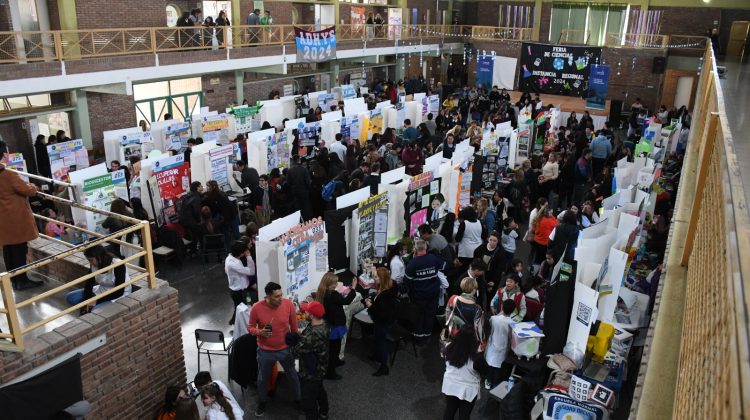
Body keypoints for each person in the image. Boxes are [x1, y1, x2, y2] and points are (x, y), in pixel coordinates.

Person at [248, 282, 301, 416]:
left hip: (284, 350)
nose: (280, 299)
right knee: (262, 379)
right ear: (268, 296)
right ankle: (262, 401)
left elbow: (294, 326)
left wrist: (295, 342)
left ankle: (298, 400)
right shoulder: (256, 308)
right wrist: (260, 332)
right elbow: (250, 328)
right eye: (277, 296)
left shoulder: (288, 304)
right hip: (265, 351)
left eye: (281, 295)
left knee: (293, 376)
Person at [292, 300, 330, 420]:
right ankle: (324, 412)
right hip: (321, 368)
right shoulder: (323, 324)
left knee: (309, 401)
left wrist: (293, 341)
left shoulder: (312, 335)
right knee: (319, 390)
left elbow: (296, 350)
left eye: (307, 311)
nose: (304, 312)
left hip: (310, 372)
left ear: (312, 315)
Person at [65, 245, 131, 313]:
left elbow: (119, 292)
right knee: (70, 297)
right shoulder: (94, 264)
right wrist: (86, 301)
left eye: (91, 260)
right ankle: (91, 308)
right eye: (89, 260)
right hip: (102, 289)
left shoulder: (117, 264)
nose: (90, 263)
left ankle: (95, 308)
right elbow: (89, 284)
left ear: (99, 256)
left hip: (118, 294)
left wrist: (96, 301)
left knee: (95, 311)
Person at [441, 326, 488, 420]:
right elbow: (486, 371)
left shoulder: (448, 347)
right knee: (464, 415)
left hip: (450, 385)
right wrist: (481, 352)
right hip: (468, 390)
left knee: (450, 410)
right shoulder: (476, 358)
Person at [404, 239, 447, 341]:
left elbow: (407, 281)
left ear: (415, 249)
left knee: (419, 314)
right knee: (430, 314)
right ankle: (428, 334)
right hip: (434, 293)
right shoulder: (433, 258)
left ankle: (419, 336)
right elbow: (444, 266)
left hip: (419, 295)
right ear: (426, 247)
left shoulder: (412, 264)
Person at [316, 272, 356, 380]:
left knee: (333, 347)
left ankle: (336, 361)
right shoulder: (333, 294)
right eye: (335, 282)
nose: (336, 284)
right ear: (330, 284)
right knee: (334, 349)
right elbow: (346, 301)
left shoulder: (322, 293)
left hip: (330, 323)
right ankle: (330, 372)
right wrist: (353, 289)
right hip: (335, 325)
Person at [365, 267, 399, 376]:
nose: (374, 279)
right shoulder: (388, 288)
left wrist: (370, 306)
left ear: (382, 279)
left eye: (376, 277)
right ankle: (376, 355)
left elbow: (382, 314)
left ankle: (384, 367)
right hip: (382, 321)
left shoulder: (385, 296)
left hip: (383, 323)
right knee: (377, 339)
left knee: (381, 343)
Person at [485, 299, 515, 389]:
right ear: (513, 311)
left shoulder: (494, 319)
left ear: (502, 307)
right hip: (503, 347)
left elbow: (489, 327)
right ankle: (495, 385)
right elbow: (511, 337)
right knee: (498, 367)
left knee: (490, 365)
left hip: (492, 345)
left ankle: (488, 381)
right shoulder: (512, 323)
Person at [445, 277, 486, 343]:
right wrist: (481, 341)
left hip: (453, 332)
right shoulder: (477, 308)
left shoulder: (453, 298)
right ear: (473, 289)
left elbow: (447, 317)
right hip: (467, 338)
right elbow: (479, 329)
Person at [225, 241, 254, 325]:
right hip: (239, 292)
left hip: (239, 290)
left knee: (239, 308)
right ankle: (237, 324)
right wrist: (248, 257)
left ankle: (233, 321)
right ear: (241, 254)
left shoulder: (230, 258)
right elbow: (251, 271)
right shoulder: (232, 264)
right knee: (243, 309)